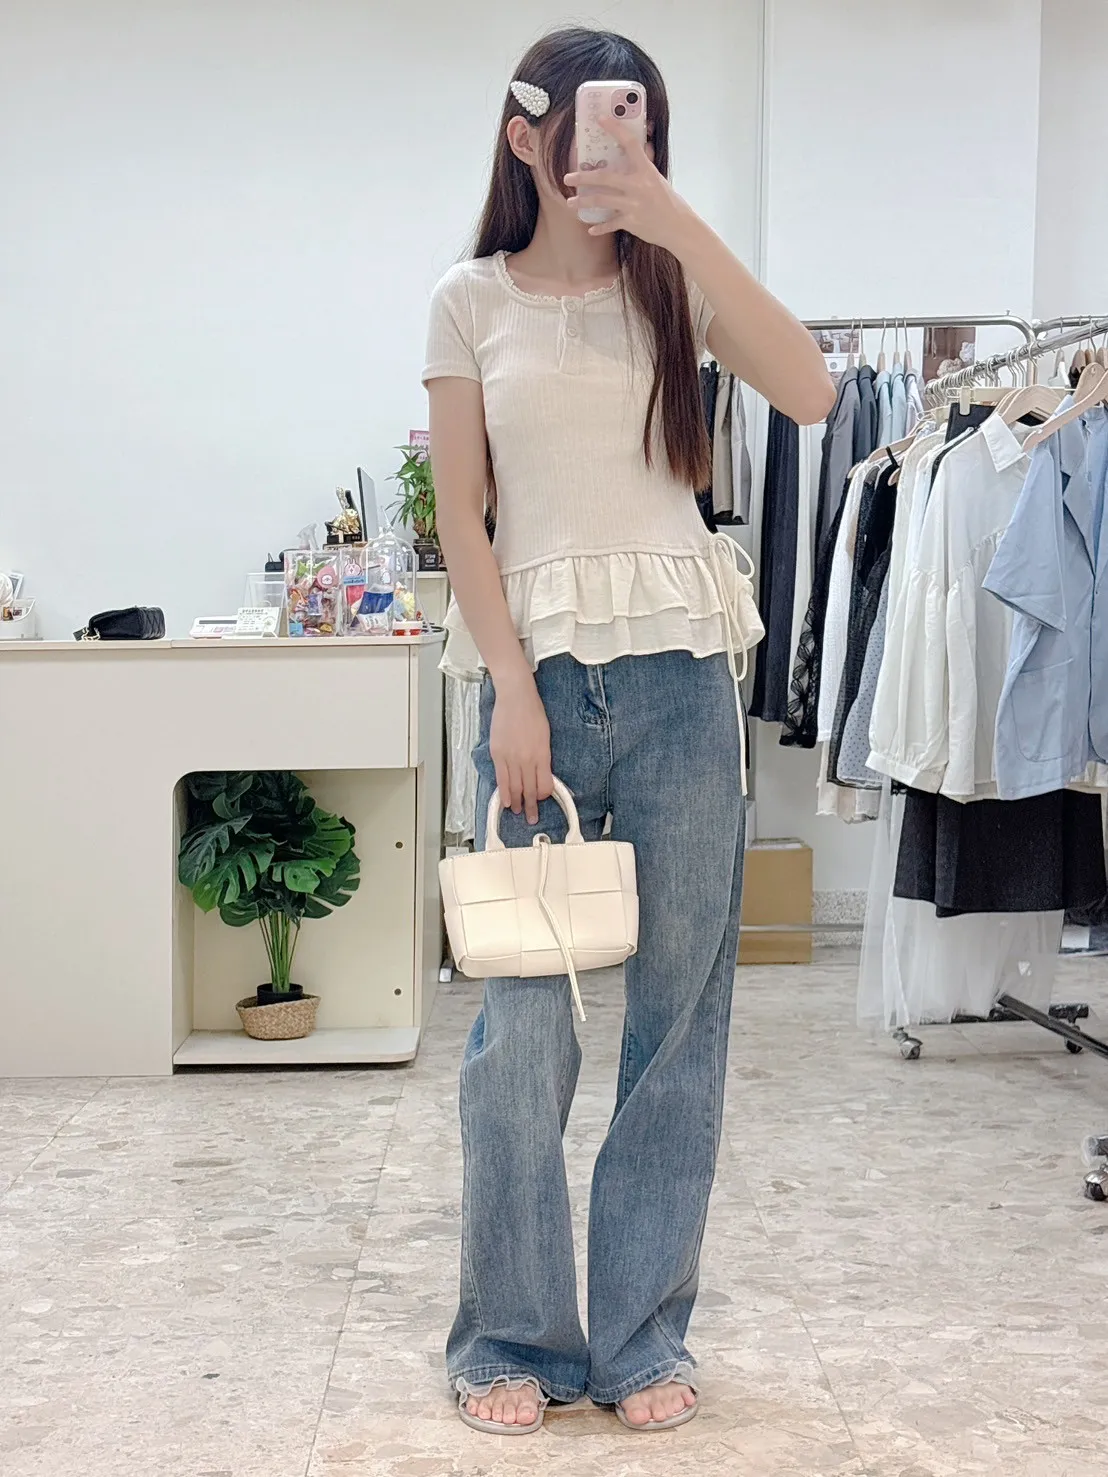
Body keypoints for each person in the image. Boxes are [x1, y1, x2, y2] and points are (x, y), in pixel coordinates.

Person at [423, 26, 833, 1437]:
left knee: (680, 1026)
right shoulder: (469, 302)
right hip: (537, 691)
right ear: (525, 134)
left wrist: (670, 215)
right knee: (523, 1028)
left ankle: (646, 1337)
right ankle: (510, 1337)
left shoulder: (675, 286)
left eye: (639, 126)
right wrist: (512, 688)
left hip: (681, 685)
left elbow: (813, 391)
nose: (612, 148)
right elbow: (463, 519)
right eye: (595, 126)